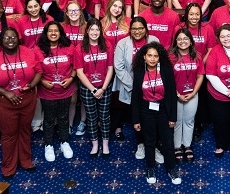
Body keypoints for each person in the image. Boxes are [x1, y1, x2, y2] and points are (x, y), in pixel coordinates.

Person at [0, 27, 42, 179]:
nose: (10, 40)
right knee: (9, 134)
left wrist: (32, 84)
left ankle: (26, 161)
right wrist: (6, 92)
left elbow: (39, 71)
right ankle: (9, 166)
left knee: (25, 130)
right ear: (1, 40)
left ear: (18, 38)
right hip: (3, 104)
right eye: (7, 38)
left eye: (13, 37)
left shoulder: (28, 52)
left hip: (27, 100)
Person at [132, 42, 182, 185]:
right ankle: (150, 168)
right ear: (144, 57)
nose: (152, 59)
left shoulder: (166, 70)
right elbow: (135, 96)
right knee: (149, 141)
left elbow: (172, 94)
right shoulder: (139, 71)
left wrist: (173, 116)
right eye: (149, 56)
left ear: (159, 57)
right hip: (146, 111)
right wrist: (136, 119)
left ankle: (171, 169)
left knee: (168, 142)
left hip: (163, 110)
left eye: (155, 56)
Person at [113, 17, 159, 158]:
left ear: (145, 29)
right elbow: (119, 67)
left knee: (152, 116)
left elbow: (159, 63)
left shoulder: (154, 40)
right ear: (130, 30)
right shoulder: (123, 43)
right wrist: (135, 86)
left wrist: (147, 84)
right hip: (131, 87)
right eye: (134, 29)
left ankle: (154, 145)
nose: (137, 31)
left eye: (140, 28)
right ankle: (141, 144)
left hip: (152, 87)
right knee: (137, 116)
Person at [35, 21, 76, 162]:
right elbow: (35, 70)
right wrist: (41, 82)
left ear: (60, 33)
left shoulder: (69, 47)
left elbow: (76, 65)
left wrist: (71, 78)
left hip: (65, 89)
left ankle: (65, 142)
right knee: (49, 119)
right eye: (50, 31)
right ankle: (48, 144)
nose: (53, 33)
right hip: (47, 91)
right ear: (46, 33)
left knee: (64, 117)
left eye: (56, 31)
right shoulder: (38, 49)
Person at [75, 19, 115, 156]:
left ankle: (105, 143)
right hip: (88, 88)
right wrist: (93, 89)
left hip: (104, 86)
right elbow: (79, 73)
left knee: (104, 116)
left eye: (97, 29)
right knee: (91, 117)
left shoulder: (107, 45)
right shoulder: (80, 48)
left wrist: (102, 88)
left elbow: (110, 69)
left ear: (101, 31)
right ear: (87, 31)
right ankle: (94, 144)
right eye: (92, 29)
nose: (94, 32)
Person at [206, 25, 230, 159]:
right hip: (218, 95)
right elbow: (210, 75)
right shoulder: (215, 52)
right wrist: (227, 91)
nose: (226, 39)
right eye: (222, 36)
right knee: (220, 121)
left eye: (229, 35)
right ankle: (220, 145)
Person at [170, 28, 204, 163]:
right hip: (176, 95)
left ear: (190, 41)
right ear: (176, 42)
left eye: (185, 39)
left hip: (192, 94)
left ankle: (187, 145)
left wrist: (194, 93)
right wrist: (177, 94)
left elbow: (200, 76)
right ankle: (177, 146)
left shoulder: (197, 56)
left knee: (189, 121)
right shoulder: (171, 57)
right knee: (177, 121)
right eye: (179, 39)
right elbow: (168, 79)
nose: (182, 41)